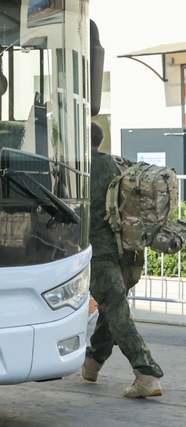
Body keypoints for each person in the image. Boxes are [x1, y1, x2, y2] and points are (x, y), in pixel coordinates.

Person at [82, 122, 163, 397]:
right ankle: (92, 364)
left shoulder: (79, 171)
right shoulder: (120, 164)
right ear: (100, 140)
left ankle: (146, 375)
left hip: (100, 253)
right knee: (112, 308)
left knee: (116, 311)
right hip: (130, 251)